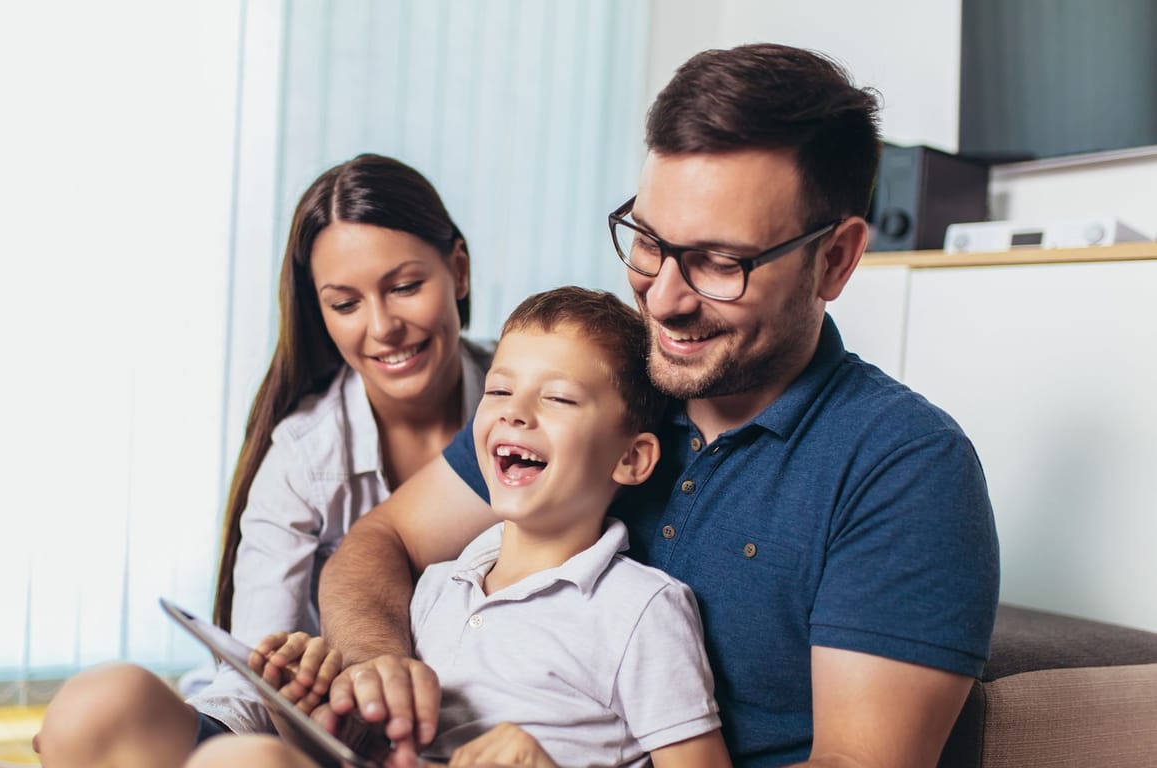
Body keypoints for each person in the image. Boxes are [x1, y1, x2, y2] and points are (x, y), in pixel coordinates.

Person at [316, 44, 1001, 768]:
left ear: (835, 259)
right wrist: (377, 666)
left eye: (718, 262)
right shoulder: (601, 382)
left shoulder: (901, 467)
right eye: (648, 241)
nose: (664, 299)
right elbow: (380, 543)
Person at [0, 153, 490, 768]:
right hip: (320, 739)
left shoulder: (539, 404)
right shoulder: (302, 457)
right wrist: (293, 695)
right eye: (345, 304)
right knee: (104, 701)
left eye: (404, 287)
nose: (383, 327)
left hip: (449, 739)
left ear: (459, 269)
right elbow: (250, 678)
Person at [184, 286, 733, 768]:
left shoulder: (640, 610)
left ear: (632, 460)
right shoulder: (437, 587)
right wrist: (311, 718)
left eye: (560, 398)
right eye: (498, 391)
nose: (515, 413)